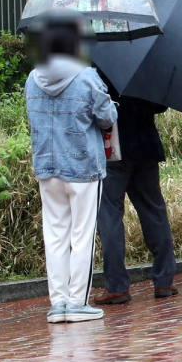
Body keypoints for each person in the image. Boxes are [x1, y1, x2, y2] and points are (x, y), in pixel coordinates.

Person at [25, 17, 118, 323]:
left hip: (47, 165)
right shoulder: (86, 76)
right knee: (82, 234)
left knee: (54, 234)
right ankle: (77, 302)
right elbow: (106, 118)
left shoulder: (33, 78)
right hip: (82, 165)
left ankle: (58, 303)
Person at [93, 81, 177, 305]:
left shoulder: (99, 69)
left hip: (113, 148)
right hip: (146, 145)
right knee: (154, 211)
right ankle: (164, 281)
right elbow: (160, 105)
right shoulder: (148, 66)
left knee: (109, 215)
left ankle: (117, 287)